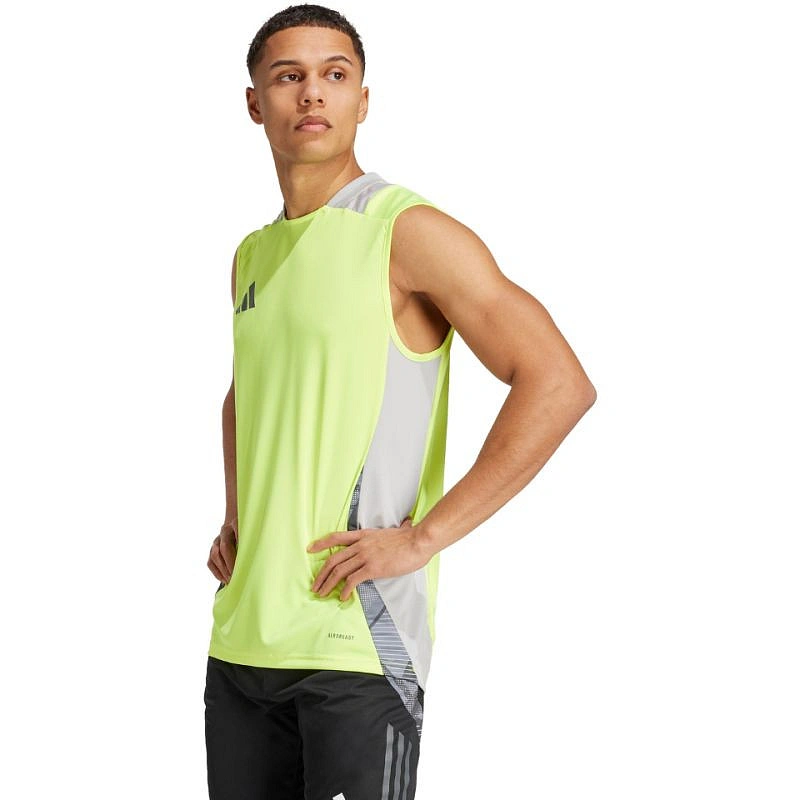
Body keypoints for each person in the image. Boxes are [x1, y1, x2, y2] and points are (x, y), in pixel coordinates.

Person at [204, 5, 597, 799]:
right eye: (289, 76)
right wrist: (238, 517)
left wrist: (424, 537)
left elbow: (558, 382)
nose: (312, 93)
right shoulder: (252, 255)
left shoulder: (404, 231)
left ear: (363, 100)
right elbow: (247, 393)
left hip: (355, 645)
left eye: (334, 74)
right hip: (242, 642)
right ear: (255, 103)